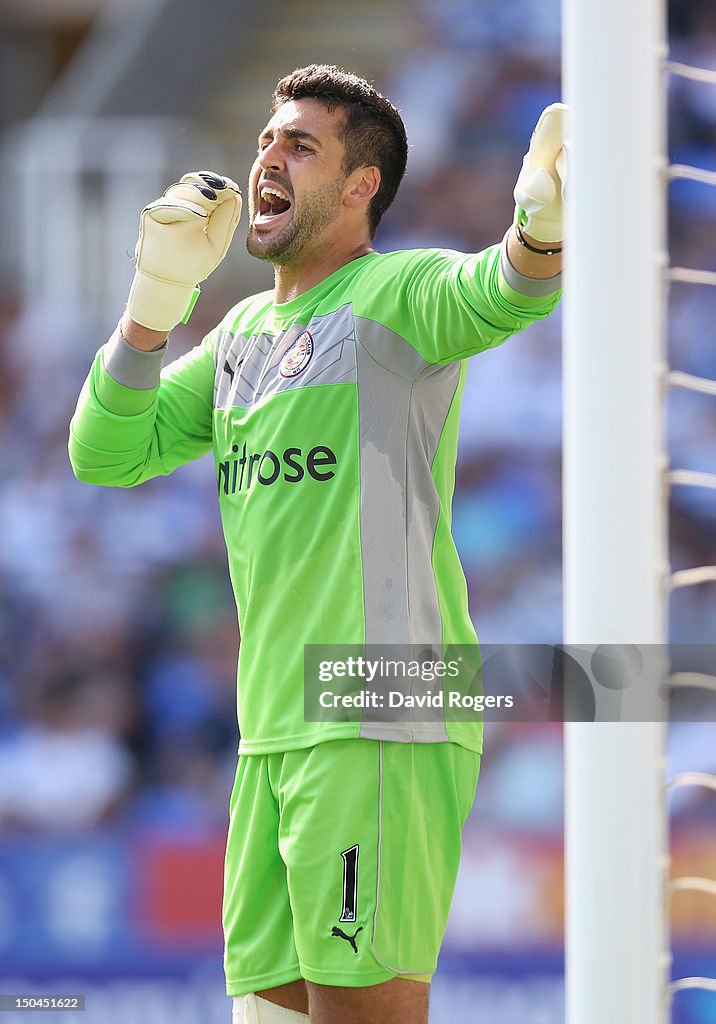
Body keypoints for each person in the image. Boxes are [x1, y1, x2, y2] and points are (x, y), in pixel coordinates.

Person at [69, 64, 565, 1024]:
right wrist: (154, 298)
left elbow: (501, 294)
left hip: (372, 705)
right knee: (273, 1016)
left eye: (300, 145)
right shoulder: (242, 334)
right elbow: (103, 452)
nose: (268, 156)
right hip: (273, 730)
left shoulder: (393, 291)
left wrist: (539, 232)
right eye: (265, 140)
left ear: (360, 184)